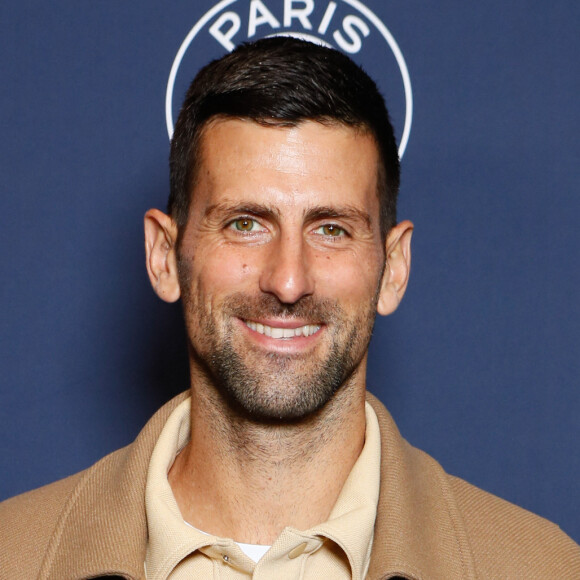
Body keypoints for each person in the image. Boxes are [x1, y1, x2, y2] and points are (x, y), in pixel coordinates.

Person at [0, 37, 578, 580]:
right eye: (245, 224)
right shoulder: (14, 554)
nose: (288, 280)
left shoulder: (540, 566)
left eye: (331, 229)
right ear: (164, 255)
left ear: (393, 267)